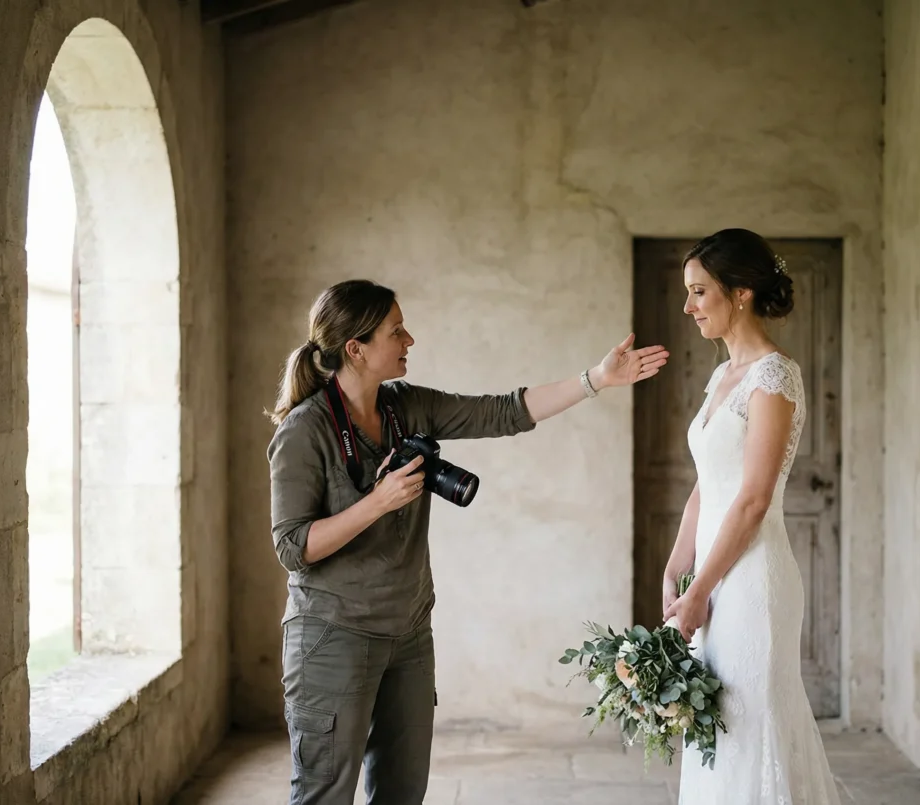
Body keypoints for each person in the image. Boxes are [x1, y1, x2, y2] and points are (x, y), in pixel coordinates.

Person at [266, 278, 668, 805]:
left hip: (408, 636)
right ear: (355, 349)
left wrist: (596, 379)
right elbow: (293, 547)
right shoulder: (305, 430)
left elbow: (502, 411)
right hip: (332, 636)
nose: (409, 340)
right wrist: (378, 501)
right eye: (396, 331)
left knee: (403, 792)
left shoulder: (403, 407)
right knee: (324, 793)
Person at [661, 229, 841, 803]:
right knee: (713, 728)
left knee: (750, 726)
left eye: (699, 292)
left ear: (740, 293)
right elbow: (706, 486)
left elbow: (753, 499)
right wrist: (677, 568)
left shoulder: (774, 377)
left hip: (752, 581)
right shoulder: (721, 377)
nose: (688, 306)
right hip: (711, 576)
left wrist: (699, 591)